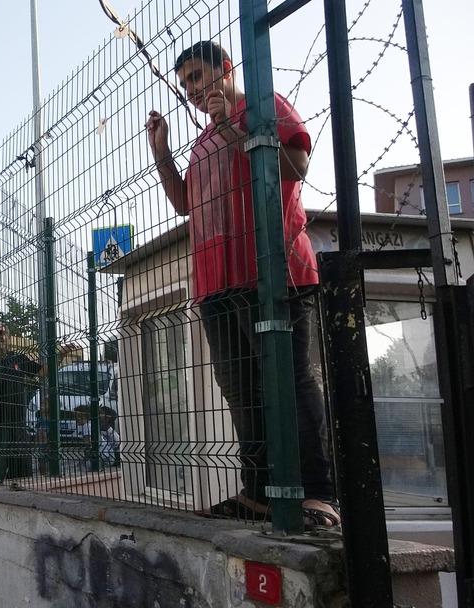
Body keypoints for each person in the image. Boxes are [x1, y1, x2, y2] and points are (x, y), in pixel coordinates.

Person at [145, 40, 339, 527]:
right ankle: (258, 492)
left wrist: (233, 124)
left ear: (226, 69)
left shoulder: (264, 106)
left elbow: (295, 168)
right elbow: (185, 204)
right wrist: (162, 151)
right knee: (241, 389)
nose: (191, 89)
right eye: (184, 81)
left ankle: (318, 494)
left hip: (274, 268)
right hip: (217, 282)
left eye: (197, 76)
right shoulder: (203, 140)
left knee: (291, 381)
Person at [0, 324, 70, 481]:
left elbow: (42, 372)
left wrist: (59, 355)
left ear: (8, 337)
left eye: (2, 333)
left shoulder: (18, 359)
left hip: (19, 426)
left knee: (23, 475)